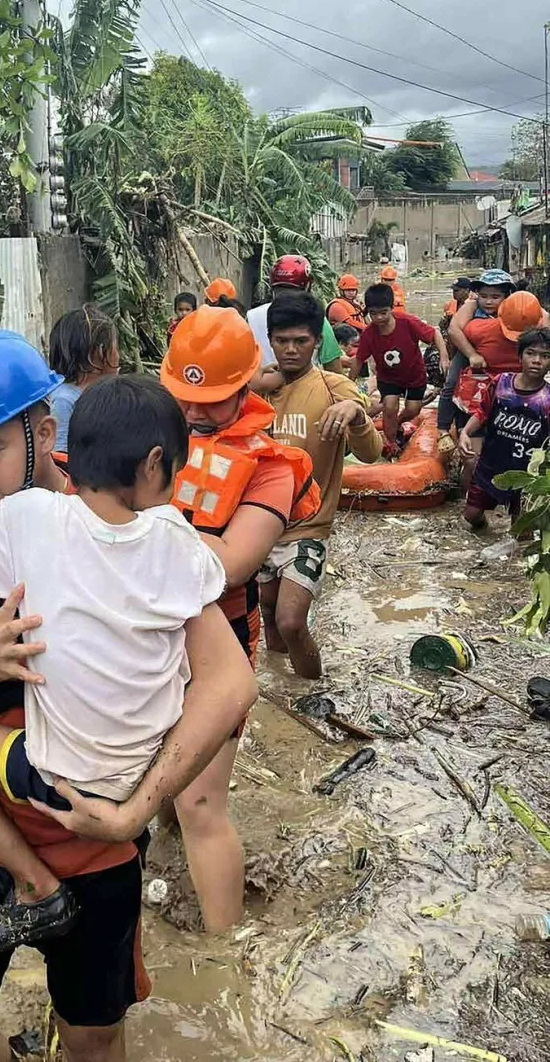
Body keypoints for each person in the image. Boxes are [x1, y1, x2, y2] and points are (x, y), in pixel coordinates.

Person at [0, 330, 258, 1062]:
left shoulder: (125, 526)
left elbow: (229, 680)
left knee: (93, 1041)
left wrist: (138, 810)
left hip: (94, 844)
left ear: (43, 433)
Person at [0, 374, 237, 954]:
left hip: (60, 780)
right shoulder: (176, 537)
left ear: (60, 441)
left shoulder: (32, 518)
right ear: (154, 463)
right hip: (141, 777)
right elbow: (218, 589)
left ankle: (37, 890)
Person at [160, 306, 320, 931]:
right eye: (186, 400)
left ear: (248, 384)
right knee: (159, 780)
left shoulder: (272, 466)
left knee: (200, 800)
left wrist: (134, 529)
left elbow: (230, 565)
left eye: (216, 402)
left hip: (218, 639)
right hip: (148, 636)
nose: (197, 415)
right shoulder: (154, 434)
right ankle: (165, 861)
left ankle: (224, 958)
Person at [261, 292, 382, 681]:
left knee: (292, 620)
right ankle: (284, 692)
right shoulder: (261, 385)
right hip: (259, 525)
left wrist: (358, 414)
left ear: (317, 341)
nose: (291, 350)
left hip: (308, 527)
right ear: (270, 339)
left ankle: (314, 691)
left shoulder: (335, 388)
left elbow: (372, 454)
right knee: (267, 611)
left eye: (301, 341)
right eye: (282, 341)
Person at [460, 328, 550, 529]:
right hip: (491, 464)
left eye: (545, 356)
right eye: (530, 353)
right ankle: (484, 528)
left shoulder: (547, 400)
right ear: (520, 356)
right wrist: (465, 432)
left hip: (527, 475)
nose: (537, 360)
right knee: (471, 516)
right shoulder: (501, 383)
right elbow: (482, 412)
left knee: (521, 531)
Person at [454, 292, 544, 486]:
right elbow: (454, 332)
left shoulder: (544, 339)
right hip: (486, 396)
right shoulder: (479, 330)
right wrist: (470, 353)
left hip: (520, 404)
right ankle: (465, 497)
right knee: (473, 461)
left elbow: (455, 329)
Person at [350, 284, 449, 454]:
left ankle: (398, 422)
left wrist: (444, 357)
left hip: (414, 375)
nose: (379, 318)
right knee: (389, 405)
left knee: (413, 409)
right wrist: (349, 383)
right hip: (388, 378)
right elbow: (359, 360)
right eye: (373, 314)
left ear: (391, 308)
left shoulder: (408, 322)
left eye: (383, 313)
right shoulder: (369, 334)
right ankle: (391, 442)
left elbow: (435, 334)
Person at [438, 270, 514, 436]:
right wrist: (472, 354)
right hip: (469, 350)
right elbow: (454, 330)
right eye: (484, 296)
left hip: (503, 357)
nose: (488, 301)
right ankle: (442, 429)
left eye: (495, 297)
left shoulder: (515, 307)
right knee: (451, 384)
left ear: (506, 296)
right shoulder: (471, 306)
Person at [247, 255, 343, 374]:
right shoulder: (316, 319)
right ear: (308, 286)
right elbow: (334, 369)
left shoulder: (251, 317)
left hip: (260, 390)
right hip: (307, 389)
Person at [48, 305, 119, 451]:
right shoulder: (65, 401)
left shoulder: (102, 394)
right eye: (116, 347)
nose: (119, 355)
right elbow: (61, 457)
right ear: (99, 352)